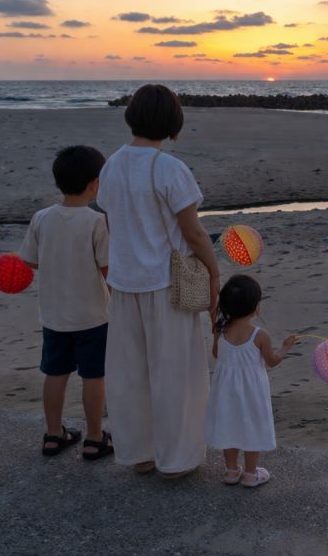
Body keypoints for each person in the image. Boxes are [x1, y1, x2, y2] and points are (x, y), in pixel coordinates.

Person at [97, 84, 220, 479]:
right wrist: (214, 272)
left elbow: (114, 223)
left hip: (124, 281)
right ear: (171, 122)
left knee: (130, 373)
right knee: (176, 374)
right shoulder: (170, 168)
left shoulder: (111, 165)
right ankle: (177, 459)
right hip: (165, 283)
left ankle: (140, 454)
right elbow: (194, 232)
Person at [18, 145, 114, 461]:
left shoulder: (41, 218)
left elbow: (29, 262)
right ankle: (95, 437)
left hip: (54, 315)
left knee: (55, 374)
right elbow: (107, 269)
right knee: (93, 376)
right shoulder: (97, 222)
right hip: (92, 315)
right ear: (94, 184)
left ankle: (53, 433)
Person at [205, 274, 297, 487]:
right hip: (251, 391)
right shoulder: (259, 335)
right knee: (251, 426)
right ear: (256, 307)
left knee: (230, 423)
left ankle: (230, 471)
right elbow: (272, 361)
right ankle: (250, 473)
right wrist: (285, 347)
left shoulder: (221, 328)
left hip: (225, 389)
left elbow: (217, 353)